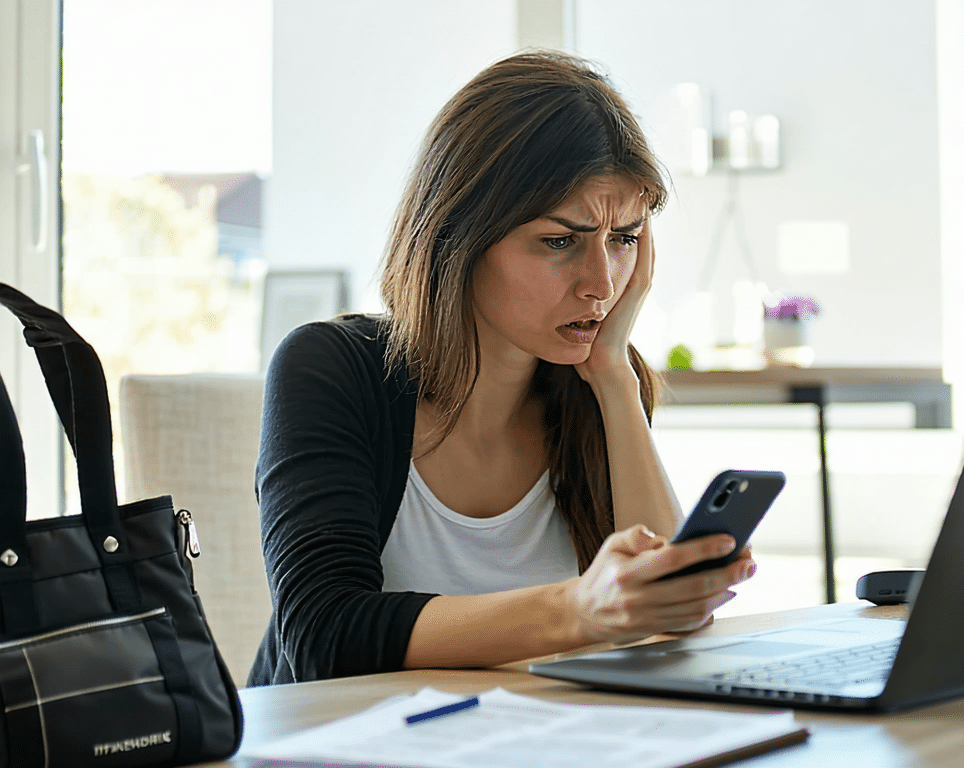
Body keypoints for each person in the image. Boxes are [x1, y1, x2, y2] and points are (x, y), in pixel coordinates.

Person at [247, 51, 757, 686]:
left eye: (624, 239)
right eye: (560, 241)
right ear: (458, 236)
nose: (601, 285)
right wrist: (579, 609)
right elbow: (324, 635)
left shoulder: (597, 388)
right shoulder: (329, 368)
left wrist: (615, 381)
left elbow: (668, 620)